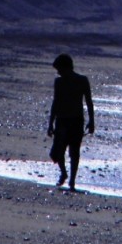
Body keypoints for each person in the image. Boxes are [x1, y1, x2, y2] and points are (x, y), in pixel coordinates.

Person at [47, 53, 94, 191]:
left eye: (60, 69)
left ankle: (72, 180)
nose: (58, 72)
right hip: (62, 119)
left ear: (66, 67)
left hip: (75, 120)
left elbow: (89, 102)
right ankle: (64, 173)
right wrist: (50, 123)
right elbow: (55, 103)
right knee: (57, 152)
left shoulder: (82, 80)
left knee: (74, 151)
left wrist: (91, 121)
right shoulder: (59, 82)